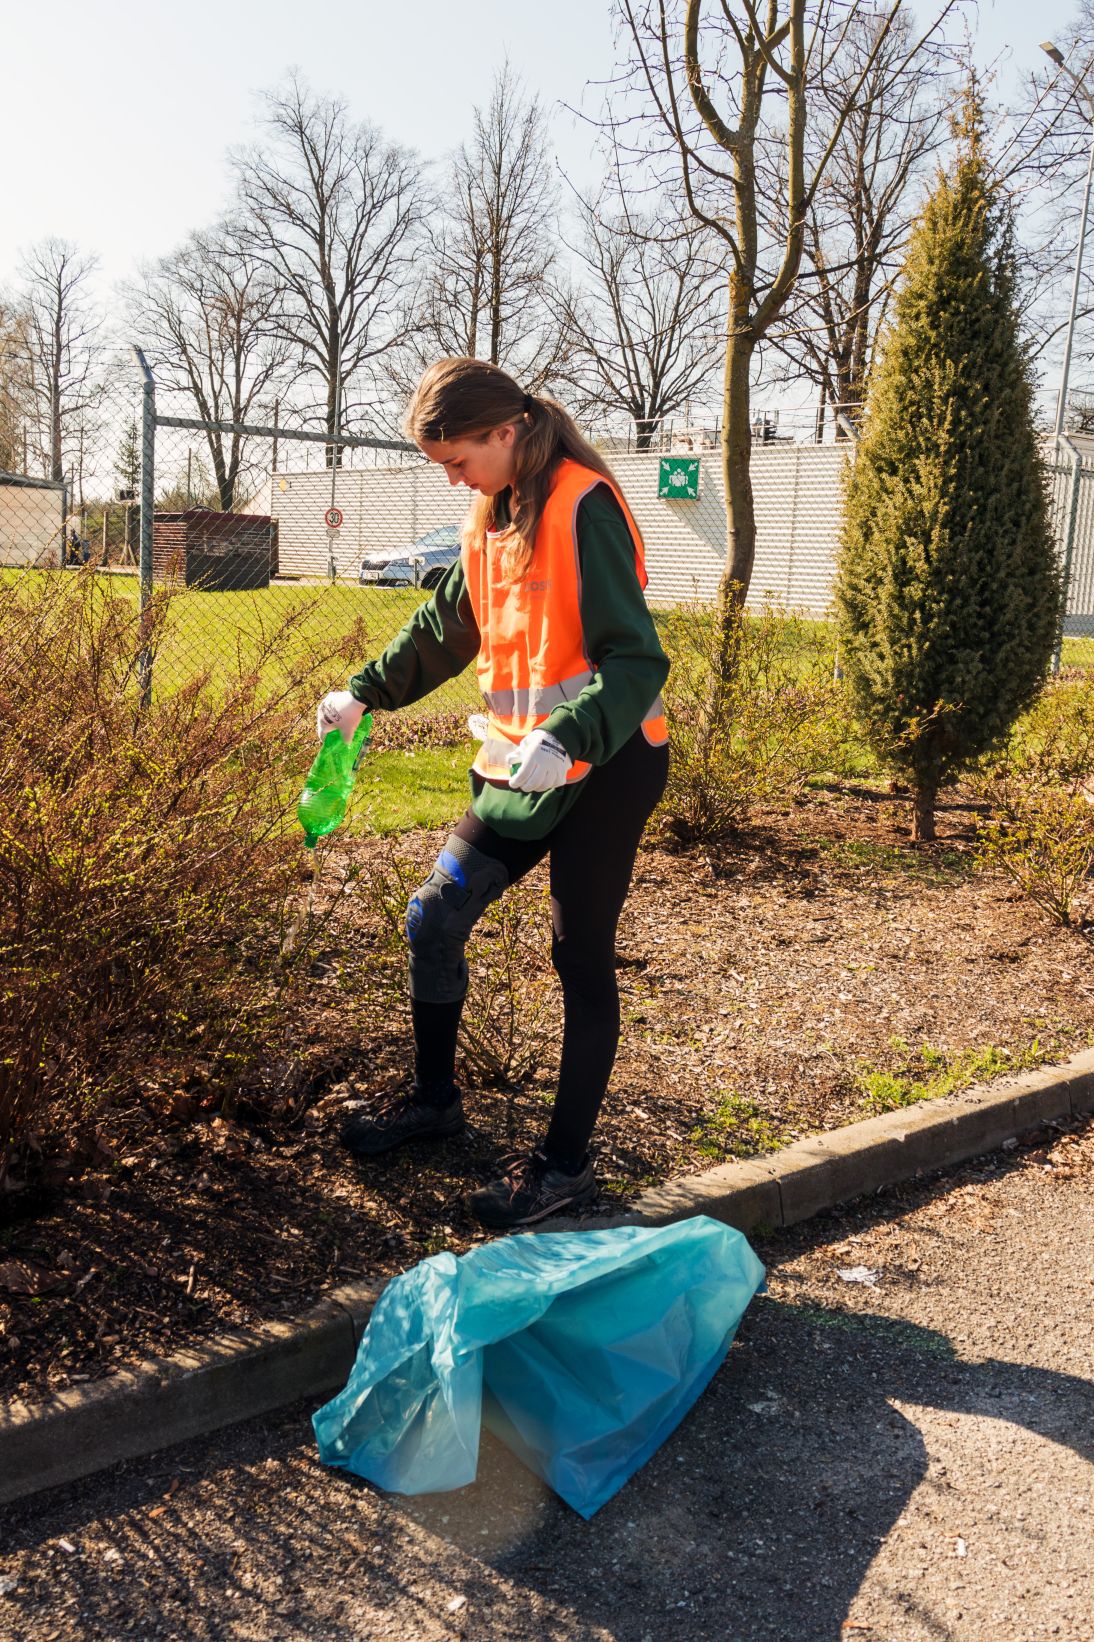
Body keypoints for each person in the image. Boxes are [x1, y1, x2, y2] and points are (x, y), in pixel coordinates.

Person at [316, 357, 669, 1230]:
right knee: (433, 916)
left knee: (579, 959)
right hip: (520, 769)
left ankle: (563, 1168)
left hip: (607, 764)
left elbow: (637, 659)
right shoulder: (488, 512)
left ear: (505, 433)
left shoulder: (582, 504)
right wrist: (365, 691)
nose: (451, 476)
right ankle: (436, 1101)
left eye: (456, 458)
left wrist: (571, 734)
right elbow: (446, 625)